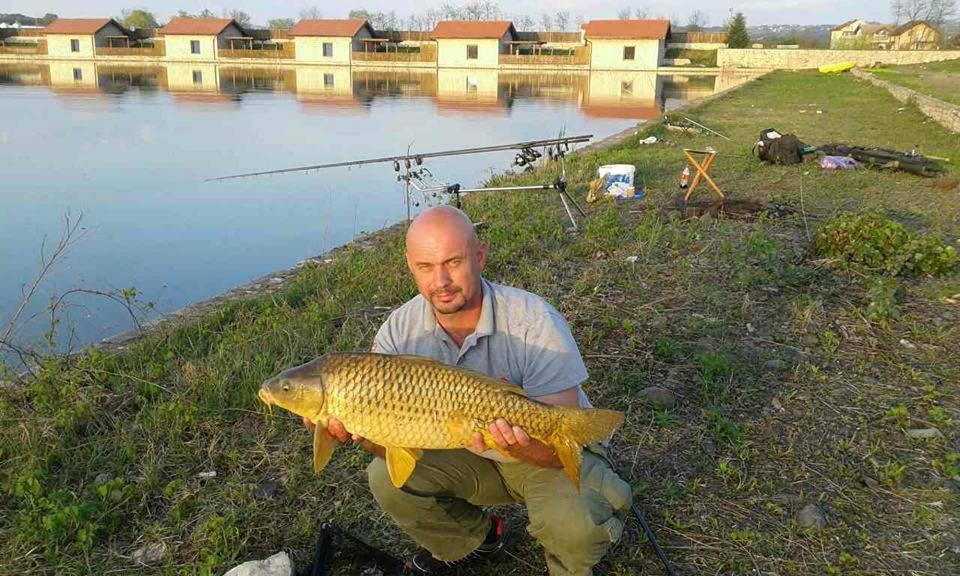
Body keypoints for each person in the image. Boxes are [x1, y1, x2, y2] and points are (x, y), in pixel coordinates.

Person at [304, 206, 632, 575]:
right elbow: (390, 446)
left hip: (542, 453)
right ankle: (477, 540)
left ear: (480, 256)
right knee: (385, 478)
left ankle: (583, 536)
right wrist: (363, 434)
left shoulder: (534, 322)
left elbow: (559, 449)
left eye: (453, 262)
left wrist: (518, 445)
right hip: (467, 450)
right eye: (426, 267)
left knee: (574, 527)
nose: (440, 280)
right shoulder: (398, 332)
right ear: (410, 266)